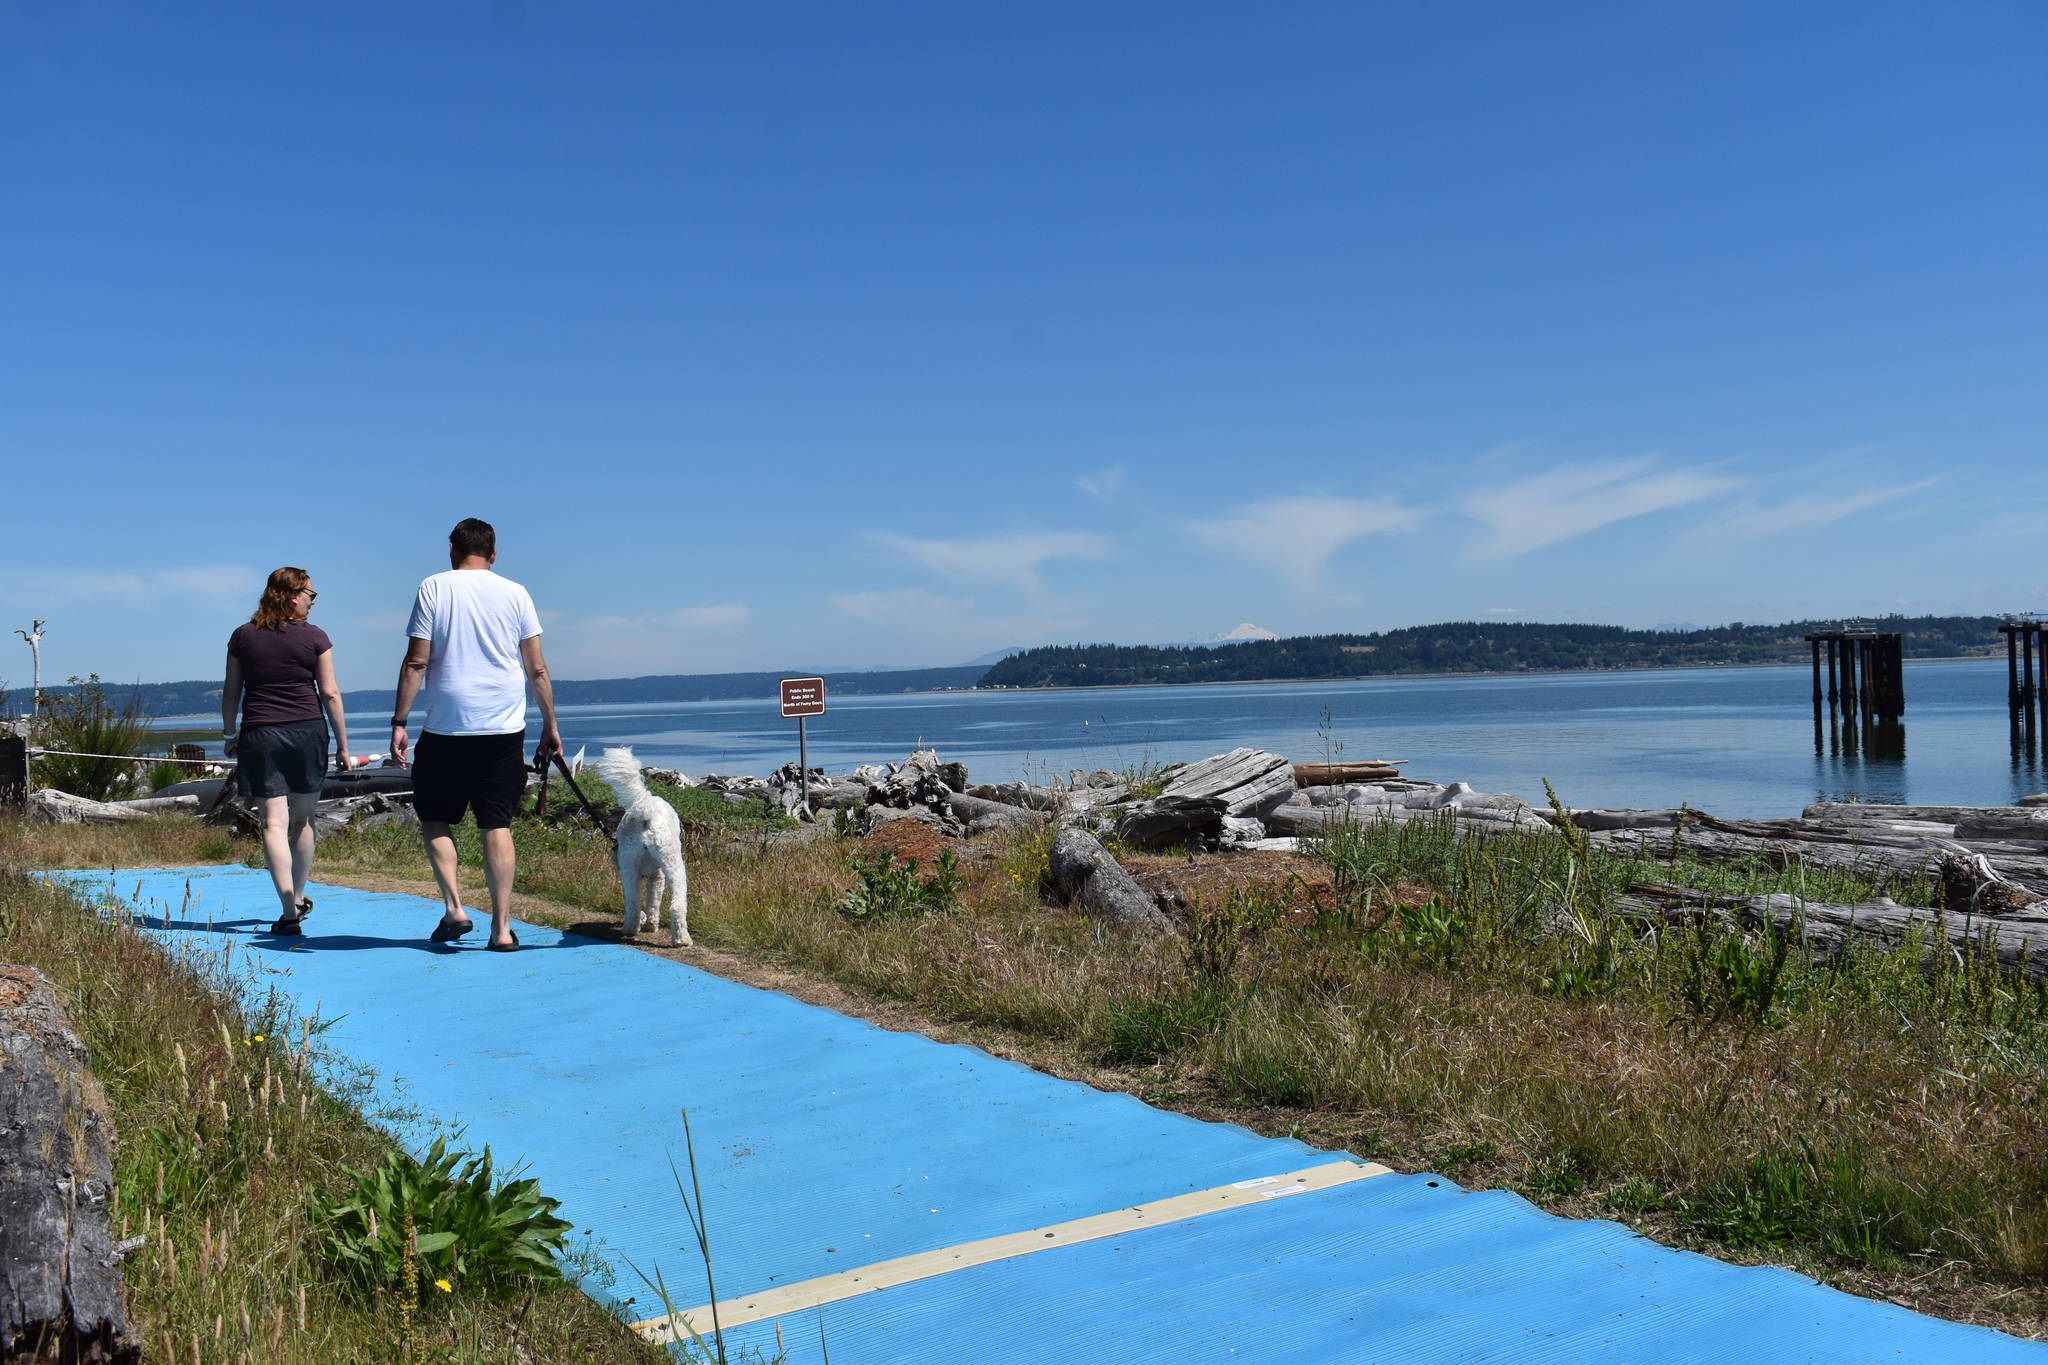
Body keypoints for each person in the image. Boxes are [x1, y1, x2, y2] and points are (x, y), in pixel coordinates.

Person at [390, 518, 562, 951]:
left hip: (446, 725)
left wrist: (399, 721)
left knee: (434, 817)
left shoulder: (433, 587)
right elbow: (536, 667)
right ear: (494, 553)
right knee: (496, 823)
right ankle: (502, 929)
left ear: (452, 547)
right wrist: (551, 726)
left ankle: (455, 907)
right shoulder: (516, 592)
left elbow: (416, 662)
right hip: (504, 725)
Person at [222, 566, 351, 935]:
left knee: (272, 824)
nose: (312, 601)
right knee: (303, 820)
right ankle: (298, 893)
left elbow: (232, 692)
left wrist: (230, 733)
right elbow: (330, 693)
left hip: (261, 734)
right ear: (292, 595)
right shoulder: (315, 638)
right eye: (310, 594)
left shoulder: (243, 636)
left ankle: (288, 908)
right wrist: (343, 745)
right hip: (307, 732)